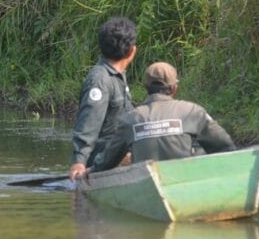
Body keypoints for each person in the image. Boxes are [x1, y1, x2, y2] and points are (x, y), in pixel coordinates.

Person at [90, 62, 236, 173]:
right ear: (174, 88)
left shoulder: (129, 119)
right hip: (183, 179)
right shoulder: (193, 111)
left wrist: (90, 170)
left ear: (145, 88)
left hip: (144, 184)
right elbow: (226, 146)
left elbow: (106, 162)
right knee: (200, 151)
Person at [69, 17, 137, 182]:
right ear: (132, 51)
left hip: (120, 157)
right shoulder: (100, 80)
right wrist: (79, 162)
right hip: (102, 164)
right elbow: (88, 124)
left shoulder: (118, 76)